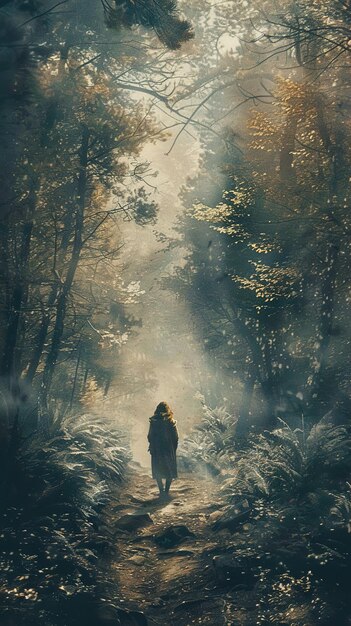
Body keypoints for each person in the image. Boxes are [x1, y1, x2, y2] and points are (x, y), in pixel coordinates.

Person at [148, 401, 178, 497]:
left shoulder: (154, 421)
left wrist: (152, 445)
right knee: (169, 470)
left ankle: (161, 491)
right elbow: (176, 437)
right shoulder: (171, 421)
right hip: (168, 449)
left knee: (158, 470)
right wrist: (174, 448)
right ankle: (166, 492)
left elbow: (150, 435)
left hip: (157, 448)